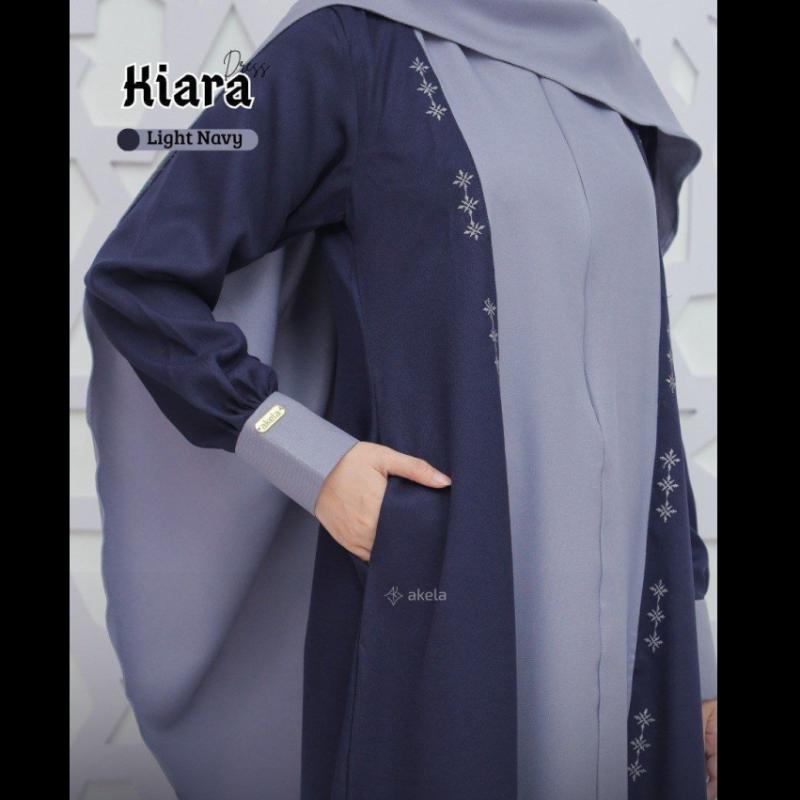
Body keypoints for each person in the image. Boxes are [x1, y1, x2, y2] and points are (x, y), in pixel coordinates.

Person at [83, 2, 717, 798]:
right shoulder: (348, 47)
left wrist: (699, 661)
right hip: (445, 602)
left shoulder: (609, 73)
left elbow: (643, 381)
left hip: (641, 647)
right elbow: (140, 279)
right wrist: (312, 460)